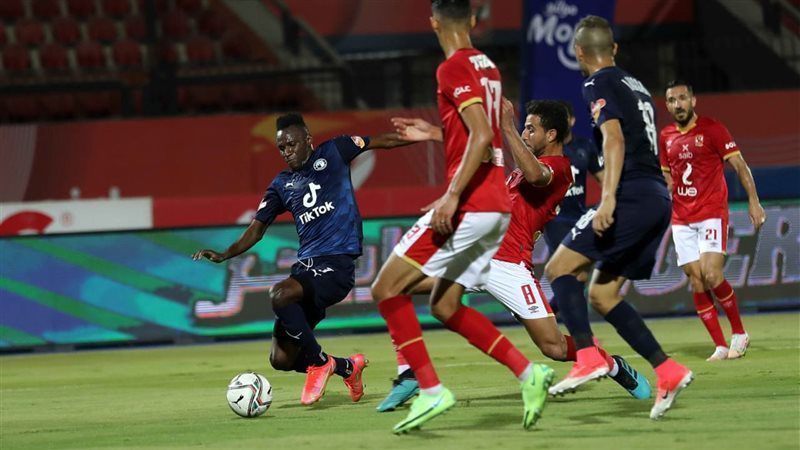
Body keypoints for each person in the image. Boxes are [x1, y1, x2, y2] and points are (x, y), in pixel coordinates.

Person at [377, 99, 652, 413]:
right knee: (398, 287)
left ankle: (612, 365)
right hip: (477, 255)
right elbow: (482, 150)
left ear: (551, 135)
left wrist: (507, 127)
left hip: (510, 266)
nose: (524, 133)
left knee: (553, 347)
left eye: (531, 129)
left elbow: (536, 176)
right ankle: (410, 373)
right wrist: (434, 134)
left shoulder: (560, 169)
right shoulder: (520, 169)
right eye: (524, 127)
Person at [370, 0, 553, 434]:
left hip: (472, 205)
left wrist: (451, 195)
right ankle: (529, 373)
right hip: (496, 207)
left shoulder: (450, 67)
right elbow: (479, 138)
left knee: (386, 288)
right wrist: (435, 133)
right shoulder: (489, 68)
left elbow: (483, 135)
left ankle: (430, 389)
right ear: (472, 20)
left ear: (433, 22)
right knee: (445, 304)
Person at [192, 113, 415, 405]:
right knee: (281, 359)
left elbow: (380, 142)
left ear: (308, 139)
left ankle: (320, 364)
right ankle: (346, 367)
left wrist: (421, 136)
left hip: (337, 266)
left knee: (280, 294)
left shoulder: (335, 151)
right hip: (307, 270)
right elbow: (256, 230)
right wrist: (224, 254)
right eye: (281, 148)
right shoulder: (281, 185)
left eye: (291, 144)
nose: (287, 152)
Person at [542, 15, 692, 420]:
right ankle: (668, 369)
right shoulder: (636, 85)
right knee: (603, 294)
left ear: (579, 52)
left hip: (631, 195)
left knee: (558, 268)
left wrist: (607, 199)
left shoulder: (597, 83)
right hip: (657, 199)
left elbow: (614, 138)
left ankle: (587, 356)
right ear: (614, 49)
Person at [660, 80, 765, 361]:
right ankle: (719, 345)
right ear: (667, 105)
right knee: (696, 280)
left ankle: (739, 333)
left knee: (711, 274)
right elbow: (667, 171)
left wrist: (754, 201)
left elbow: (740, 165)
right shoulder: (666, 136)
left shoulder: (713, 129)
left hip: (711, 212)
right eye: (672, 100)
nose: (678, 104)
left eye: (683, 98)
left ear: (693, 101)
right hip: (681, 217)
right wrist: (667, 183)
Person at [543, 101, 604, 298]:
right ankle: (570, 317)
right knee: (567, 272)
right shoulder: (546, 149)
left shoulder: (585, 147)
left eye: (564, 117)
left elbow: (604, 181)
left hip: (580, 218)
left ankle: (553, 312)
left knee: (581, 274)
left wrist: (608, 204)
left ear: (572, 120)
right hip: (555, 220)